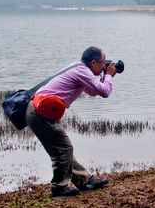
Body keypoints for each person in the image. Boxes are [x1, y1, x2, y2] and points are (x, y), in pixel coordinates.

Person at [26, 46, 120, 197]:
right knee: (64, 148)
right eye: (103, 63)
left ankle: (83, 180)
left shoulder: (80, 68)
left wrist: (105, 77)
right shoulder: (82, 71)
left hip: (41, 110)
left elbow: (94, 91)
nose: (105, 66)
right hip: (40, 111)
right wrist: (108, 75)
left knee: (63, 147)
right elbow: (105, 92)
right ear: (94, 62)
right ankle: (59, 187)